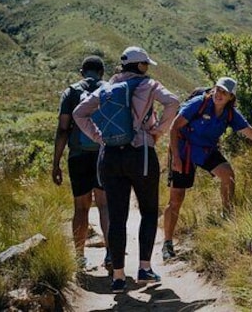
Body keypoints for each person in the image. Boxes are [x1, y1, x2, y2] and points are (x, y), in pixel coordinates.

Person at [73, 46, 179, 293]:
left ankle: (118, 277)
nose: (147, 68)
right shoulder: (149, 85)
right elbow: (173, 102)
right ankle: (144, 268)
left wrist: (99, 137)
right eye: (146, 64)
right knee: (149, 211)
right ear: (140, 66)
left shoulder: (106, 88)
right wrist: (159, 131)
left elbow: (80, 113)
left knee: (117, 216)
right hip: (141, 153)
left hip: (110, 155)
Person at [161, 77, 252, 261]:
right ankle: (167, 243)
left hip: (206, 151)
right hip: (184, 150)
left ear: (231, 97)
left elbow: (251, 132)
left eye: (224, 92)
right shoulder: (198, 104)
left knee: (228, 175)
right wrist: (175, 156)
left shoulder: (230, 114)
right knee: (177, 198)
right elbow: (175, 127)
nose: (219, 94)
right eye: (218, 89)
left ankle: (227, 215)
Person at [52, 55, 111, 271]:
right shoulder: (110, 89)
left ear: (81, 72)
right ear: (102, 72)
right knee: (105, 205)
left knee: (81, 208)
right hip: (104, 155)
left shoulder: (71, 92)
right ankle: (111, 255)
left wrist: (56, 163)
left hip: (78, 155)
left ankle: (79, 256)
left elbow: (62, 129)